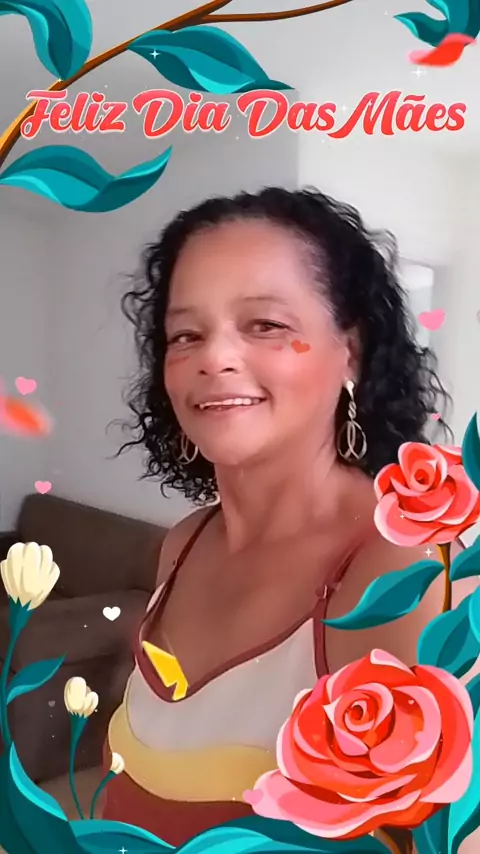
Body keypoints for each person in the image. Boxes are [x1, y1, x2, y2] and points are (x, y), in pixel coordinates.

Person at [101, 186, 471, 844]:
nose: (213, 357)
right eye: (186, 334)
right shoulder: (184, 543)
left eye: (265, 325)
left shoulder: (406, 572)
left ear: (350, 350)